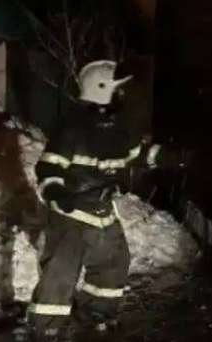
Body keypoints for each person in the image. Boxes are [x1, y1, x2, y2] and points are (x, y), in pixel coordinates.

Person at [28, 60, 186, 340]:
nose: (122, 95)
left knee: (113, 263)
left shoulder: (117, 129)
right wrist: (55, 192)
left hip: (102, 210)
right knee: (60, 274)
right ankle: (47, 329)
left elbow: (138, 153)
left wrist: (169, 157)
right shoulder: (72, 130)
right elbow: (49, 167)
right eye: (118, 90)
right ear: (101, 90)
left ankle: (97, 315)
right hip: (72, 214)